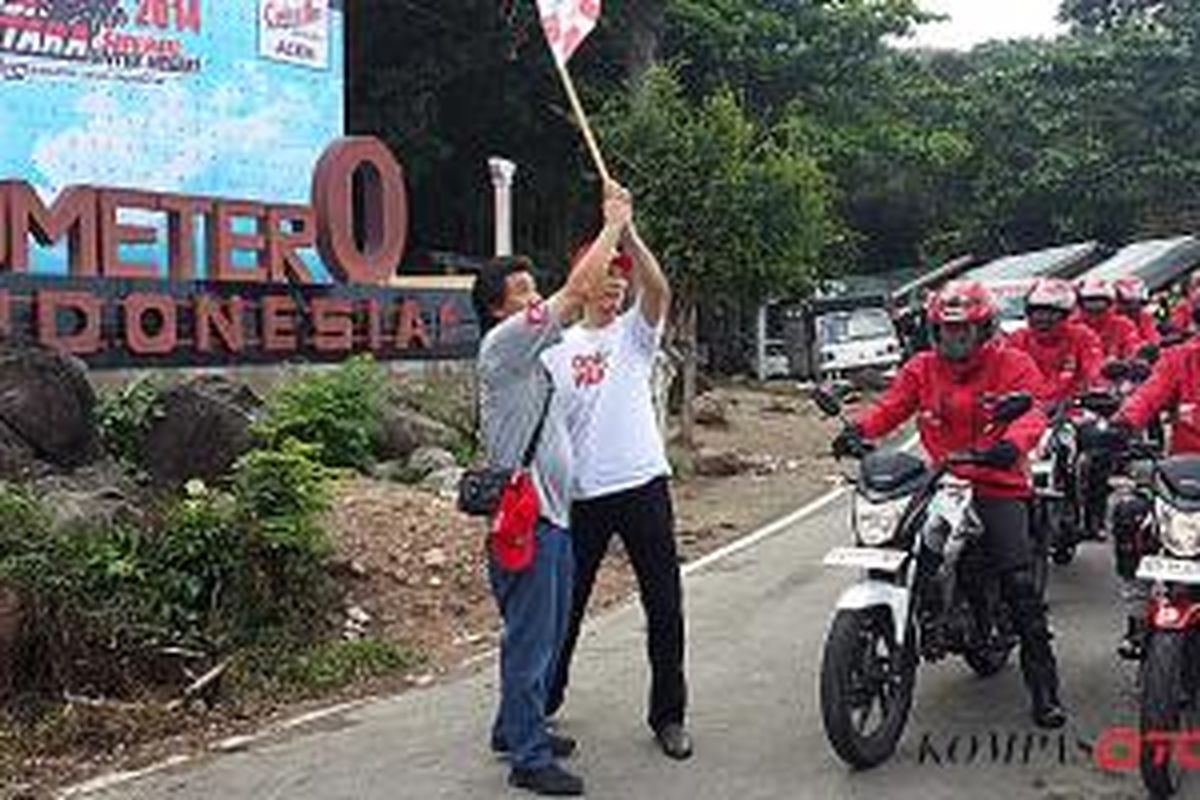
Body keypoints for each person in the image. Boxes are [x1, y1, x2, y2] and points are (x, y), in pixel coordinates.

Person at [832, 281, 1067, 729]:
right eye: (946, 331)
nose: (954, 341)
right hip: (939, 480)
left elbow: (1033, 412)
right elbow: (891, 407)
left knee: (1019, 584)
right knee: (898, 541)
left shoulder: (1012, 364)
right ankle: (923, 609)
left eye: (964, 332)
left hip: (997, 482)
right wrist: (859, 431)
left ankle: (1045, 690)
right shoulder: (921, 368)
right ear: (933, 331)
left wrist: (1011, 446)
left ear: (985, 330)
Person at [472, 180, 632, 797]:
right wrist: (613, 224)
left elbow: (588, 304)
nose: (535, 297)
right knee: (532, 640)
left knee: (542, 632)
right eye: (522, 292)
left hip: (552, 519)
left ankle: (515, 726)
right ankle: (529, 758)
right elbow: (580, 292)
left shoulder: (533, 356)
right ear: (497, 309)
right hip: (530, 522)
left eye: (533, 286)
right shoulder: (506, 345)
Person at [541, 217, 692, 760]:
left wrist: (626, 235)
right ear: (582, 281)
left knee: (666, 606)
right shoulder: (555, 345)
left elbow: (660, 289)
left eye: (619, 276)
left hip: (643, 485)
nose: (615, 284)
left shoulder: (634, 335)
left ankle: (669, 715)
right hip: (581, 495)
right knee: (565, 607)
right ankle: (542, 702)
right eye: (605, 274)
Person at [1008, 277, 1103, 408]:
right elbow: (1003, 376)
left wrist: (1095, 388)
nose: (1042, 318)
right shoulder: (1017, 339)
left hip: (1071, 410)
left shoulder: (1083, 337)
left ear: (1065, 315)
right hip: (1026, 412)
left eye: (1050, 313)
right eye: (1036, 312)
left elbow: (1093, 369)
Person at [1077, 278, 1140, 361]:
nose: (1094, 305)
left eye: (1099, 300)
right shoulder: (1075, 325)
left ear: (1109, 301)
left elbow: (1133, 346)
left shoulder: (1123, 324)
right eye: (1089, 300)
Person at [1114, 276, 1161, 347]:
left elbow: (1152, 339)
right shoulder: (1113, 319)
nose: (1131, 307)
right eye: (1126, 303)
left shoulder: (1145, 315)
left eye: (1136, 303)